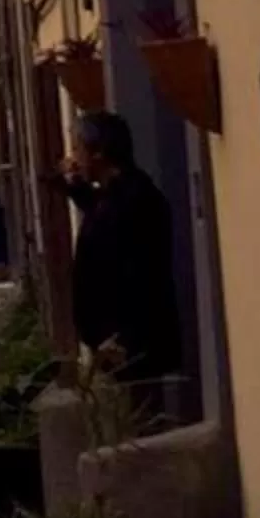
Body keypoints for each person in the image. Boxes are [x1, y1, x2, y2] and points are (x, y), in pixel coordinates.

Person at [63, 110, 181, 390]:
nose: (73, 158)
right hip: (112, 346)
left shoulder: (135, 200)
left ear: (99, 153)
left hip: (130, 347)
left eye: (78, 149)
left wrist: (120, 336)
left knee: (139, 421)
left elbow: (138, 274)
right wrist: (75, 188)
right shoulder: (112, 195)